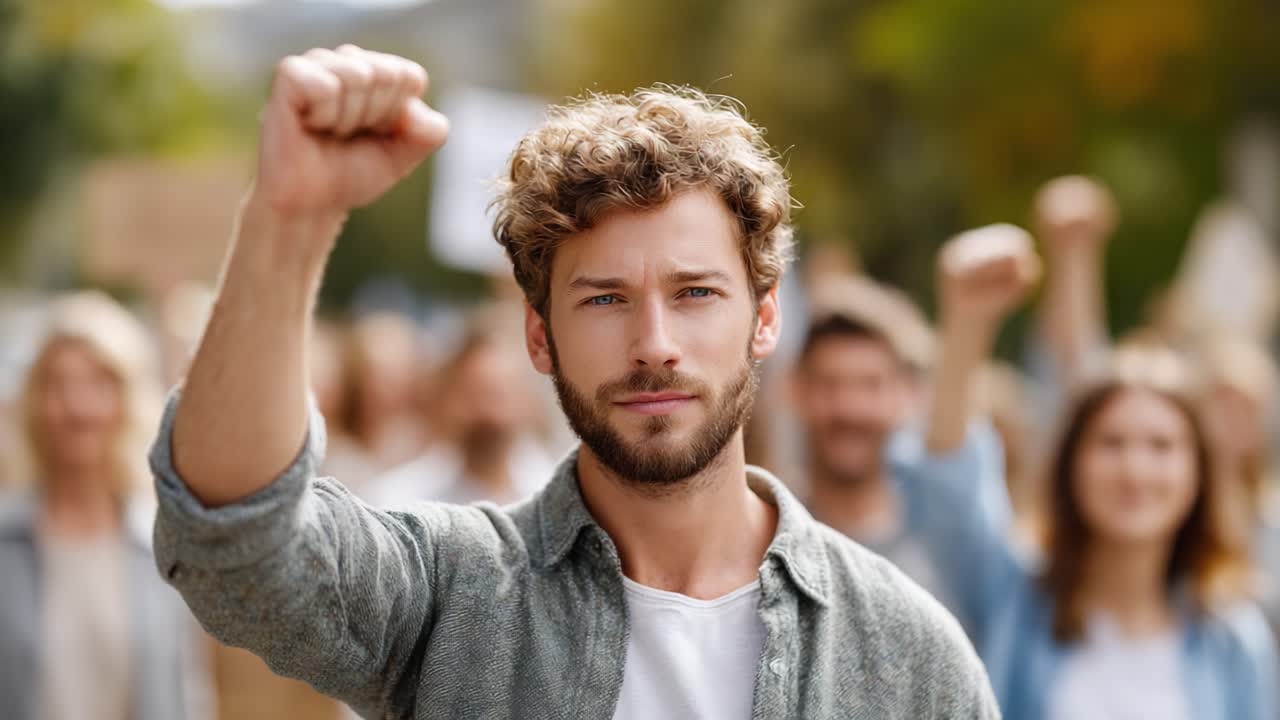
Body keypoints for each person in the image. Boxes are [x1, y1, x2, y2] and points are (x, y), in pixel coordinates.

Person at [150, 45, 997, 719]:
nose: (654, 343)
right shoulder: (454, 595)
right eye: (604, 300)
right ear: (538, 334)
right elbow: (239, 545)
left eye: (696, 292)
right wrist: (288, 220)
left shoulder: (904, 652)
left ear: (765, 319)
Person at [906, 224, 1276, 719]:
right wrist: (966, 321)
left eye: (1161, 446)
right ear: (1070, 466)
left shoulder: (1233, 638)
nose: (1135, 468)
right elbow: (947, 484)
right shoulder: (1015, 600)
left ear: (1198, 473)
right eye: (1111, 442)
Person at [0, 291, 212, 720]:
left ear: (127, 401)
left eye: (99, 384)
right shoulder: (6, 541)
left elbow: (188, 692)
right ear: (35, 402)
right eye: (59, 385)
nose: (78, 407)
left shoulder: (165, 546)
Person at [367, 315, 554, 508]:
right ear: (447, 400)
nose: (489, 414)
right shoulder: (400, 501)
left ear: (530, 401)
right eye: (474, 394)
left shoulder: (560, 497)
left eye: (500, 396)